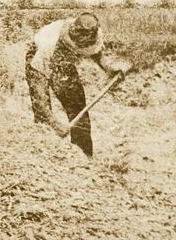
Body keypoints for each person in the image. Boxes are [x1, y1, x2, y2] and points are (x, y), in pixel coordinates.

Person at [25, 12, 131, 157]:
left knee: (78, 108)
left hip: (64, 63)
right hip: (38, 60)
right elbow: (39, 94)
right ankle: (43, 156)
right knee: (43, 116)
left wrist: (109, 69)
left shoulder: (93, 33)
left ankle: (83, 157)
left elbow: (96, 53)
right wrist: (54, 123)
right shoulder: (48, 46)